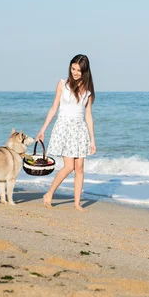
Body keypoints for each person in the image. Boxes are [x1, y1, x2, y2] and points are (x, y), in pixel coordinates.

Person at [36, 54, 96, 212]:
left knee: (80, 168)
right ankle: (49, 194)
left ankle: (77, 203)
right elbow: (54, 107)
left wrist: (92, 140)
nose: (75, 72)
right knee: (69, 166)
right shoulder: (63, 84)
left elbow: (88, 116)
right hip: (64, 128)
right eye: (73, 68)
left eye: (79, 70)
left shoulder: (88, 90)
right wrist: (43, 130)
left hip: (79, 129)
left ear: (85, 71)